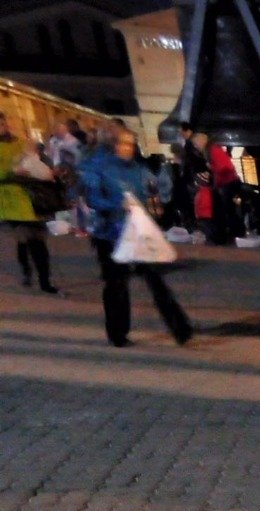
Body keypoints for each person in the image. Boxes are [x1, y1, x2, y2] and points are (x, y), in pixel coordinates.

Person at [78, 126, 192, 347]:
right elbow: (93, 200)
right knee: (116, 285)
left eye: (131, 144)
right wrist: (115, 204)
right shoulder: (100, 169)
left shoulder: (138, 168)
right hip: (109, 235)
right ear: (113, 145)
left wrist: (155, 206)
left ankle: (181, 329)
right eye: (124, 144)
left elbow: (152, 190)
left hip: (137, 232)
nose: (128, 148)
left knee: (155, 280)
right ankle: (117, 333)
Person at [0, 115, 57, 294]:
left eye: (3, 122)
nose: (4, 126)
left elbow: (38, 160)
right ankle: (33, 274)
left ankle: (42, 279)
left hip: (33, 200)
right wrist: (12, 172)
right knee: (28, 241)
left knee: (35, 241)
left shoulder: (21, 142)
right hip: (11, 203)